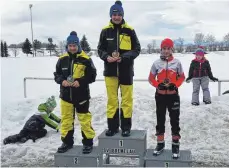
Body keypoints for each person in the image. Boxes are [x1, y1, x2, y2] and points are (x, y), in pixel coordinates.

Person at [97, 0, 141, 137]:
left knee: (127, 100)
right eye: (114, 14)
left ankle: (126, 127)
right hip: (110, 72)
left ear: (122, 15)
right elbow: (100, 49)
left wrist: (125, 57)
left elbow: (137, 49)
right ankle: (113, 127)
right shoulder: (105, 31)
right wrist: (106, 57)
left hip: (126, 71)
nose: (116, 17)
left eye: (119, 14)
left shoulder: (130, 30)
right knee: (112, 100)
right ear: (111, 15)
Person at [54, 31, 96, 154]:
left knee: (84, 119)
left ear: (78, 46)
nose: (72, 48)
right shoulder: (62, 59)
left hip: (81, 96)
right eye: (70, 46)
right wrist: (62, 81)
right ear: (67, 46)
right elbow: (57, 75)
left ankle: (88, 143)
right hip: (66, 96)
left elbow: (92, 76)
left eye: (74, 46)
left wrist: (81, 82)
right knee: (66, 120)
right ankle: (67, 142)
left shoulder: (86, 59)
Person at [148, 38, 185, 158]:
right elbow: (151, 78)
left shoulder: (177, 62)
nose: (166, 51)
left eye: (168, 48)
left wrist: (176, 84)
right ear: (161, 49)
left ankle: (175, 144)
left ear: (171, 49)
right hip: (160, 95)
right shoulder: (156, 63)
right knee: (160, 119)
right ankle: (160, 143)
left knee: (175, 120)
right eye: (164, 48)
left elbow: (182, 77)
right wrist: (157, 84)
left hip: (173, 95)